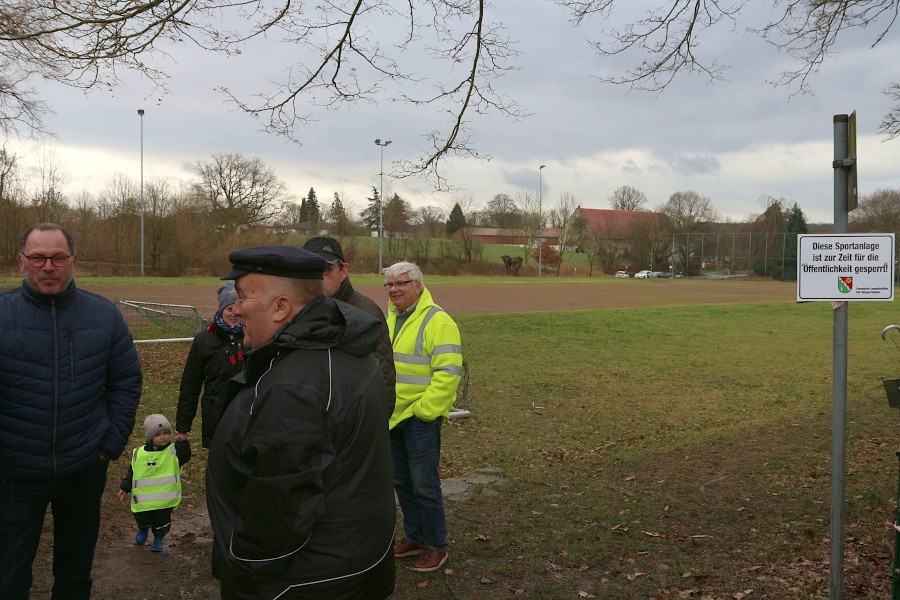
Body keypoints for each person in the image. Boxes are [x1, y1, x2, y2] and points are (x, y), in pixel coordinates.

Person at [206, 245, 395, 600]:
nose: (235, 307)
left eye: (243, 295)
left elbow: (278, 517)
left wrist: (244, 575)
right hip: (353, 565)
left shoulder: (295, 388)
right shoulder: (341, 345)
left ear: (281, 308)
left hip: (307, 581)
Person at [0, 222, 142, 599]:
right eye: (38, 257)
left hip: (83, 469)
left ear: (73, 261)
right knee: (9, 577)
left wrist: (107, 446)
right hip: (14, 473)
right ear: (21, 262)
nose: (48, 266)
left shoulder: (104, 316)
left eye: (58, 257)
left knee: (75, 575)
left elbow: (126, 383)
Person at [384, 261, 463, 573]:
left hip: (419, 419)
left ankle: (436, 545)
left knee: (424, 485)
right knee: (402, 481)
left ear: (417, 285)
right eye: (389, 285)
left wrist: (424, 412)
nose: (394, 290)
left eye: (401, 284)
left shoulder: (438, 321)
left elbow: (448, 373)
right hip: (393, 416)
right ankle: (415, 537)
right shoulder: (392, 319)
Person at [302, 235, 396, 415]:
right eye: (308, 270)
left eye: (325, 270)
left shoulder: (365, 314)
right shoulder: (303, 310)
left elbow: (384, 388)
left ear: (343, 271)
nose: (316, 279)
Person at [176, 281, 245, 448]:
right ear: (221, 310)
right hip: (216, 416)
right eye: (229, 309)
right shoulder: (204, 340)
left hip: (247, 416)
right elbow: (190, 385)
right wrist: (183, 428)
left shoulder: (254, 336)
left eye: (237, 309)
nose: (234, 314)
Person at [117, 414, 192, 552]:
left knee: (162, 521)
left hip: (165, 500)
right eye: (158, 434)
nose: (162, 437)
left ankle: (158, 538)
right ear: (150, 437)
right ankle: (143, 530)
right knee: (142, 518)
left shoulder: (174, 452)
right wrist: (125, 487)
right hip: (143, 500)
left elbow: (185, 456)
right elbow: (132, 472)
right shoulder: (139, 453)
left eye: (165, 433)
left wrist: (182, 442)